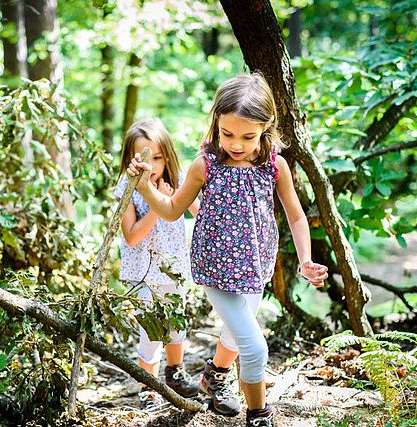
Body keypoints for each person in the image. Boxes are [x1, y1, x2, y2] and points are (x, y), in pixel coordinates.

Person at [127, 73, 328, 426]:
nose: (236, 143)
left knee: (235, 335)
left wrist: (306, 259)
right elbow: (173, 209)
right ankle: (258, 414)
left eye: (248, 136)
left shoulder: (274, 165)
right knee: (255, 347)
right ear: (215, 123)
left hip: (256, 267)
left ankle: (215, 375)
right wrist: (144, 188)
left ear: (266, 128)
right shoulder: (205, 165)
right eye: (227, 133)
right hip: (215, 268)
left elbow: (296, 218)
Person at [114, 118, 201, 411]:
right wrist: (158, 202)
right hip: (142, 274)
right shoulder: (127, 188)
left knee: (176, 326)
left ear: (168, 157)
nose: (152, 165)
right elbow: (132, 236)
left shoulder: (176, 180)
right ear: (131, 160)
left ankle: (175, 373)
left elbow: (199, 211)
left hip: (173, 268)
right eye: (144, 158)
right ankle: (149, 388)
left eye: (159, 157)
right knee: (151, 333)